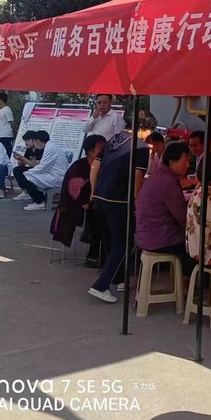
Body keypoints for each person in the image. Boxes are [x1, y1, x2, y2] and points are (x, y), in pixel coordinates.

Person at [86, 128, 150, 303]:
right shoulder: (141, 147)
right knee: (122, 243)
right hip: (119, 200)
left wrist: (93, 191)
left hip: (100, 197)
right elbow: (138, 175)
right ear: (143, 130)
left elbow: (95, 166)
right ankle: (101, 285)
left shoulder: (112, 141)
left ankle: (119, 278)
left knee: (111, 242)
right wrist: (137, 200)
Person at [135, 142, 194, 275]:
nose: (187, 165)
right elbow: (183, 218)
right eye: (185, 161)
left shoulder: (158, 175)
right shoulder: (168, 182)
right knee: (196, 246)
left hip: (146, 235)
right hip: (159, 239)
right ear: (172, 161)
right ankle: (189, 282)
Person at [51, 134, 105, 248]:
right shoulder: (78, 168)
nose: (105, 151)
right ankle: (96, 250)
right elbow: (72, 192)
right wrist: (86, 202)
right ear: (90, 151)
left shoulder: (103, 165)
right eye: (101, 148)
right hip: (74, 206)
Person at [14, 130, 67, 211]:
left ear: (38, 140)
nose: (36, 143)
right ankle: (36, 198)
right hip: (52, 173)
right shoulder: (49, 147)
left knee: (28, 177)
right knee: (27, 175)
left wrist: (28, 173)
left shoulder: (50, 148)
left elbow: (42, 166)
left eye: (35, 141)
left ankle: (39, 202)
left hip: (57, 176)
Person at [12, 131, 44, 201]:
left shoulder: (40, 150)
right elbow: (23, 163)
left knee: (27, 174)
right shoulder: (29, 150)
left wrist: (23, 158)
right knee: (17, 170)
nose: (26, 143)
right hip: (31, 168)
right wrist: (20, 160)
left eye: (28, 140)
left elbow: (36, 165)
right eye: (25, 141)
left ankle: (36, 197)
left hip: (39, 170)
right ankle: (25, 192)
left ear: (34, 140)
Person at [0, 92, 15, 157]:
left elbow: (12, 122)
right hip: (1, 134)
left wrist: (15, 132)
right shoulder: (1, 110)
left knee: (7, 151)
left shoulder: (7, 110)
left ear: (0, 100)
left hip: (6, 134)